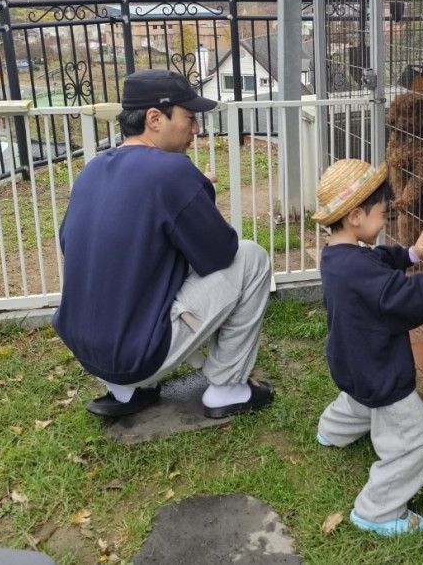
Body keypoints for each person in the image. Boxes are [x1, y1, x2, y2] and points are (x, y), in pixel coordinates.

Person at [53, 69, 274, 419]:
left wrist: (192, 190)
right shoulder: (173, 170)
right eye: (189, 117)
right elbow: (220, 253)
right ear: (155, 119)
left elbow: (72, 243)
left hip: (86, 350)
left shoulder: (92, 170)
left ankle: (126, 393)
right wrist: (200, 189)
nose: (196, 129)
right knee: (252, 257)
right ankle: (227, 388)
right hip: (139, 356)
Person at [312, 158, 423, 536]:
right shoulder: (361, 270)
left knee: (358, 401)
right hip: (379, 370)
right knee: (420, 440)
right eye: (383, 215)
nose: (385, 221)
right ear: (356, 216)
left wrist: (411, 254)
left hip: (350, 362)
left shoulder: (337, 256)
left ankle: (331, 432)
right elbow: (407, 297)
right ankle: (377, 510)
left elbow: (377, 260)